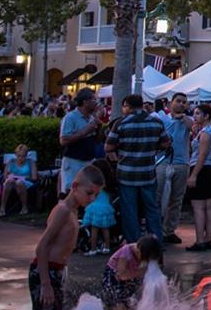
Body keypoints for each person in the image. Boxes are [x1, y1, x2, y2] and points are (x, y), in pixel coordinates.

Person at [29, 165, 106, 310]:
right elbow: (41, 248)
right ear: (74, 187)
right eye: (89, 193)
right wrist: (46, 284)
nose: (92, 199)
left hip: (55, 273)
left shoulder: (73, 211)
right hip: (45, 272)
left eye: (96, 195)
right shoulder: (63, 210)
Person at [106, 94, 165, 245]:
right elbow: (166, 143)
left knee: (129, 210)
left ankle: (134, 243)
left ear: (128, 105)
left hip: (126, 174)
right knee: (151, 209)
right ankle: (156, 241)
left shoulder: (121, 123)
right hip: (148, 173)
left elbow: (109, 146)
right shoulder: (156, 122)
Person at [186, 103, 211, 251]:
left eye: (197, 114)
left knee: (199, 207)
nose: (194, 117)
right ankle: (208, 238)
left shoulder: (206, 132)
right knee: (209, 206)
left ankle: (200, 240)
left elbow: (202, 154)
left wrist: (194, 175)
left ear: (206, 116)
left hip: (202, 169)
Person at [157, 92, 192, 246]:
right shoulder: (162, 119)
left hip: (181, 162)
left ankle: (169, 230)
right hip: (163, 162)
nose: (181, 104)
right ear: (171, 103)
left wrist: (183, 118)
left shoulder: (187, 121)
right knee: (158, 197)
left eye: (184, 102)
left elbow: (195, 128)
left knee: (176, 199)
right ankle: (156, 229)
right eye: (178, 101)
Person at [103, 233, 162, 310]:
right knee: (118, 305)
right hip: (114, 277)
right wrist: (140, 273)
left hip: (131, 274)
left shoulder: (148, 252)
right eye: (143, 258)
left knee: (131, 303)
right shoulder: (126, 253)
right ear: (138, 248)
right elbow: (120, 276)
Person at [58, 89, 101, 196]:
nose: (96, 102)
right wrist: (85, 131)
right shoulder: (70, 118)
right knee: (71, 192)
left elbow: (95, 140)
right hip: (73, 162)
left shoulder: (91, 118)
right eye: (94, 99)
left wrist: (98, 128)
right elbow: (63, 140)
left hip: (88, 161)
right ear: (85, 102)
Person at [81, 164, 119, 254]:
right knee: (106, 229)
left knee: (95, 230)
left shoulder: (96, 185)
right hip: (105, 208)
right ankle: (107, 247)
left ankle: (93, 249)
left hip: (95, 208)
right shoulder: (108, 186)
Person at [0, 143, 37, 217]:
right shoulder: (11, 162)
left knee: (19, 182)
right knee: (9, 181)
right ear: (16, 155)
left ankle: (24, 207)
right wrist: (9, 176)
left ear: (26, 155)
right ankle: (2, 208)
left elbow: (34, 178)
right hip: (12, 182)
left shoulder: (30, 162)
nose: (21, 158)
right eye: (19, 156)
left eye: (23, 156)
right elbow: (4, 177)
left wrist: (25, 177)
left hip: (26, 182)